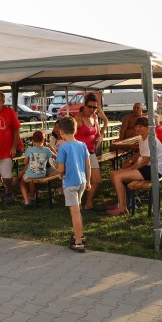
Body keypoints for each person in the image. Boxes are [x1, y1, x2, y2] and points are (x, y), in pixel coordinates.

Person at [107, 117, 162, 216]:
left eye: (141, 126)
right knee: (113, 174)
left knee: (117, 177)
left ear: (148, 128)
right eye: (136, 126)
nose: (137, 128)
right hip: (147, 168)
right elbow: (141, 158)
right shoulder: (143, 140)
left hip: (153, 171)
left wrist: (132, 169)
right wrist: (131, 167)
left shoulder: (150, 140)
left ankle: (122, 208)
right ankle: (122, 202)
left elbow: (145, 161)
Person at [56, 117, 91, 253]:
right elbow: (88, 165)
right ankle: (80, 235)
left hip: (70, 183)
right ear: (75, 130)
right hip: (82, 181)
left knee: (74, 212)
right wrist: (88, 181)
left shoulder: (63, 148)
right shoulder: (82, 145)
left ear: (61, 132)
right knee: (78, 210)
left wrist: (60, 175)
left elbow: (61, 169)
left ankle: (78, 243)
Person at [74, 94, 103, 212]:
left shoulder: (95, 117)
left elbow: (98, 134)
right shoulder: (77, 118)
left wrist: (100, 137)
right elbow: (69, 136)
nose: (92, 109)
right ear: (84, 105)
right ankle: (78, 205)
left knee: (97, 179)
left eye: (94, 107)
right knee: (79, 181)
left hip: (91, 152)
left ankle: (89, 203)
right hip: (79, 154)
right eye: (90, 107)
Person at [19, 131, 54, 206]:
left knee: (22, 182)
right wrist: (52, 149)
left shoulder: (29, 150)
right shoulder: (47, 150)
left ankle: (26, 201)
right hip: (42, 174)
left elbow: (25, 162)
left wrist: (28, 160)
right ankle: (32, 197)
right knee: (32, 179)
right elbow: (57, 157)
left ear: (33, 140)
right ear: (44, 140)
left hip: (31, 174)